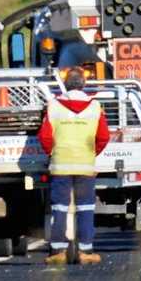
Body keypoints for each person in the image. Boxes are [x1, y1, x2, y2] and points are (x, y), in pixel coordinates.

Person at [39, 68, 110, 265]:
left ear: (66, 84)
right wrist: (91, 153)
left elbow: (44, 136)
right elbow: (103, 136)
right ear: (84, 85)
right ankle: (86, 252)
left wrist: (52, 153)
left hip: (60, 165)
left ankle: (58, 252)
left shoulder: (53, 106)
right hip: (85, 166)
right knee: (85, 207)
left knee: (60, 208)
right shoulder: (95, 107)